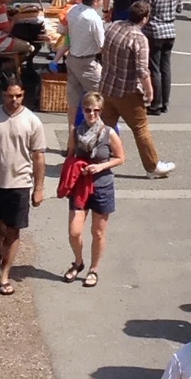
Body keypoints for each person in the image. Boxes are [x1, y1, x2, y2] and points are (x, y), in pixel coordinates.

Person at [0, 74, 46, 296]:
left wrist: (39, 188)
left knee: (14, 230)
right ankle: (2, 246)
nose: (14, 100)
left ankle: (4, 274)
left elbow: (39, 157)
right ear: (3, 94)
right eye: (10, 96)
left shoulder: (33, 121)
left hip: (20, 183)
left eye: (19, 96)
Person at [96, 3, 173, 177]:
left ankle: (92, 157)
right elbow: (142, 70)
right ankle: (152, 166)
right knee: (140, 128)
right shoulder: (139, 38)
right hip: (127, 90)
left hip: (107, 86)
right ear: (144, 19)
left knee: (104, 126)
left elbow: (102, 49)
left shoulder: (113, 26)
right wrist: (150, 90)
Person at [62, 92, 125, 285]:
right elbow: (70, 155)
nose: (92, 114)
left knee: (98, 232)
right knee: (74, 231)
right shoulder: (76, 132)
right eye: (88, 110)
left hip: (102, 185)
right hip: (81, 185)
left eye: (96, 110)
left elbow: (120, 157)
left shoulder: (108, 132)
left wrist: (100, 166)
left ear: (101, 111)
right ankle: (78, 262)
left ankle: (94, 269)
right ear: (83, 109)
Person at [143, 0, 185, 114]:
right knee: (166, 67)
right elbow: (179, 7)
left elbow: (145, 11)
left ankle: (156, 103)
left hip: (155, 31)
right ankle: (165, 102)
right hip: (170, 30)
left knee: (154, 68)